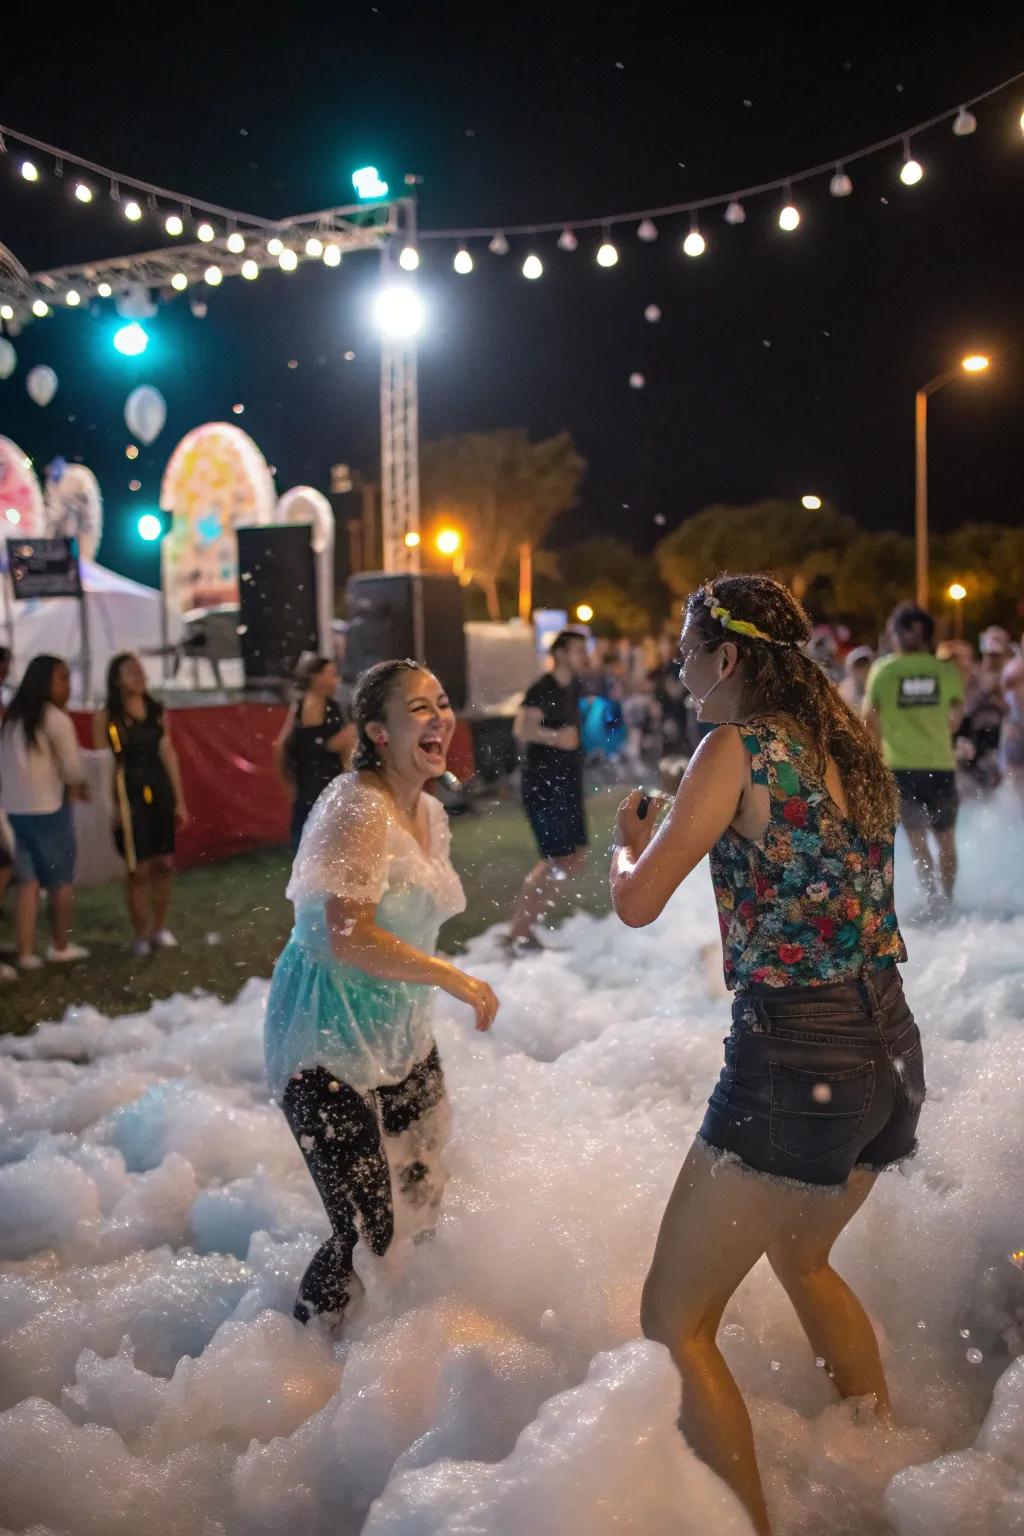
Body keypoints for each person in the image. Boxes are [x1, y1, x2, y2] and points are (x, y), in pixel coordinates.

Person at [610, 575, 918, 1536]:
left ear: (730, 657)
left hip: (796, 1059)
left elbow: (638, 899)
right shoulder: (850, 745)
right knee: (803, 1253)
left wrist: (626, 846)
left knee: (673, 1322)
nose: (681, 667)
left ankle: (750, 1527)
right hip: (890, 1055)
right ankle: (885, 1472)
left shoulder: (733, 749)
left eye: (690, 649)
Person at [265, 658, 498, 1330]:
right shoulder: (355, 807)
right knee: (365, 1230)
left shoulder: (428, 810)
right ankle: (305, 1365)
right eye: (420, 708)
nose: (440, 718)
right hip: (324, 1041)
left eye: (444, 702)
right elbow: (347, 936)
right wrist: (449, 975)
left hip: (400, 1036)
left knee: (425, 1203)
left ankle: (406, 1357)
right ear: (378, 731)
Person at [863, 603, 963, 913]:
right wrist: (933, 731)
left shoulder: (884, 669)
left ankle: (931, 898)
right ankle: (947, 900)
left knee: (917, 841)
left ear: (900, 632)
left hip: (900, 768)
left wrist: (877, 757)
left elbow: (869, 719)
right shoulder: (945, 671)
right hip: (940, 765)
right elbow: (956, 715)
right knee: (946, 839)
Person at [93, 652, 189, 958]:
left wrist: (179, 801)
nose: (138, 675)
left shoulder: (155, 710)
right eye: (130, 671)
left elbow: (168, 753)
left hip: (158, 788)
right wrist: (112, 807)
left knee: (164, 863)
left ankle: (159, 927)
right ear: (117, 679)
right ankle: (141, 933)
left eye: (140, 670)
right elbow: (102, 765)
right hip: (128, 791)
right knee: (139, 868)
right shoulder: (107, 717)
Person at [0, 655, 90, 968]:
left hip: (11, 812)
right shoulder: (54, 719)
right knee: (60, 882)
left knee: (26, 884)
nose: (68, 685)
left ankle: (25, 953)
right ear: (46, 683)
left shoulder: (12, 716)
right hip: (49, 810)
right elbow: (71, 768)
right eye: (63, 678)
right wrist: (81, 784)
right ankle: (60, 945)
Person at [506, 630, 590, 951]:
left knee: (573, 856)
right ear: (561, 653)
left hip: (567, 781)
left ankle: (527, 924)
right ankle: (520, 932)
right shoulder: (543, 688)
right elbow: (522, 728)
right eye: (579, 650)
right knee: (555, 858)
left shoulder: (574, 687)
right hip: (544, 782)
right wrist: (557, 738)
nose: (585, 656)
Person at [273, 655, 356, 851]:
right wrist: (288, 785)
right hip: (313, 793)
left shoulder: (332, 707)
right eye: (332, 675)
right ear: (315, 677)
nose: (337, 680)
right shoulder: (302, 708)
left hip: (328, 792)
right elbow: (282, 749)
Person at [837, 645, 874, 712]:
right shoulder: (845, 690)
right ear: (850, 669)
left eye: (865, 663)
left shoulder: (880, 680)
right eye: (858, 665)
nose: (863, 668)